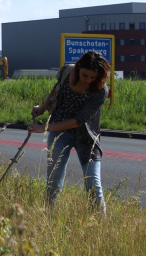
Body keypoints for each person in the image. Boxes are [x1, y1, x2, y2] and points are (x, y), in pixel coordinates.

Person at [28, 51, 110, 213]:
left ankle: (102, 227)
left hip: (86, 137)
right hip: (59, 132)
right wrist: (43, 108)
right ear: (78, 67)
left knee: (93, 183)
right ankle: (47, 218)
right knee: (53, 181)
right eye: (85, 75)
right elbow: (56, 89)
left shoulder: (101, 90)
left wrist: (44, 128)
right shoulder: (67, 72)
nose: (88, 80)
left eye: (93, 77)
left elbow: (78, 120)